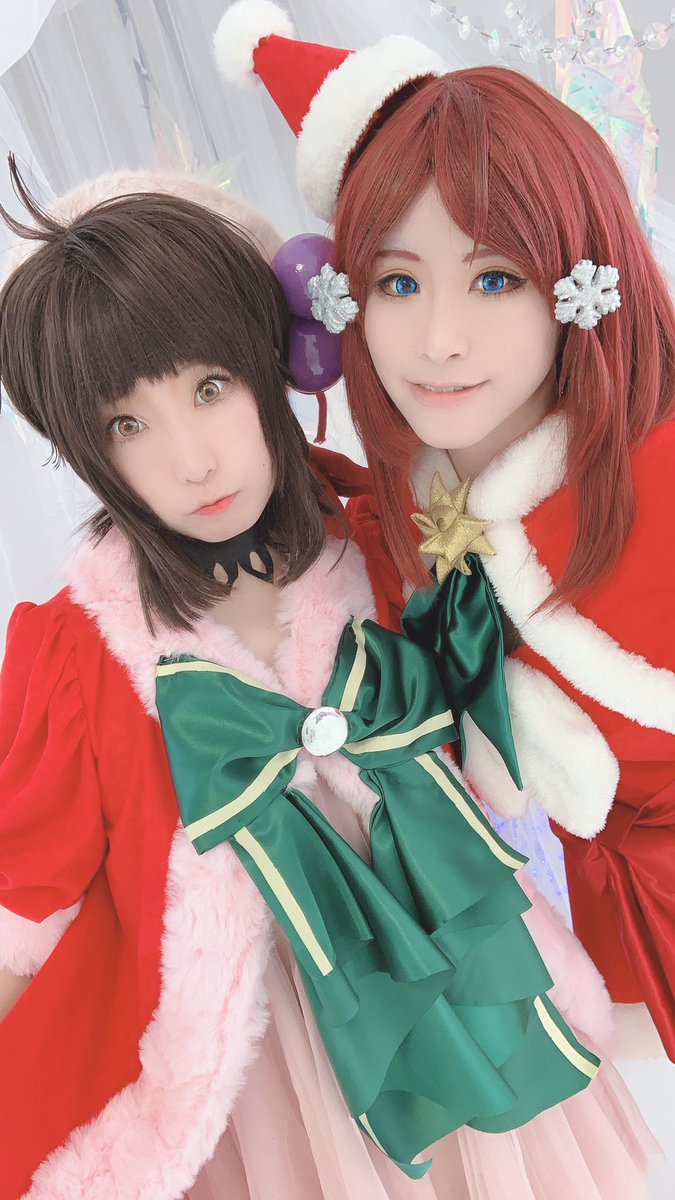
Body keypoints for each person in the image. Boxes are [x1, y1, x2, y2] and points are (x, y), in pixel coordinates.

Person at [0, 168, 657, 1200]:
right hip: (274, 1080)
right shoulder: (79, 652)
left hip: (468, 1008)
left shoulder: (393, 538)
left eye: (209, 389)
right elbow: (23, 902)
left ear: (273, 361)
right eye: (126, 425)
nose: (189, 460)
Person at [213, 0, 675, 1063]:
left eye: (495, 278)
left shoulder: (654, 477)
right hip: (591, 959)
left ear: (578, 283)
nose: (437, 339)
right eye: (397, 282)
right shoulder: (394, 515)